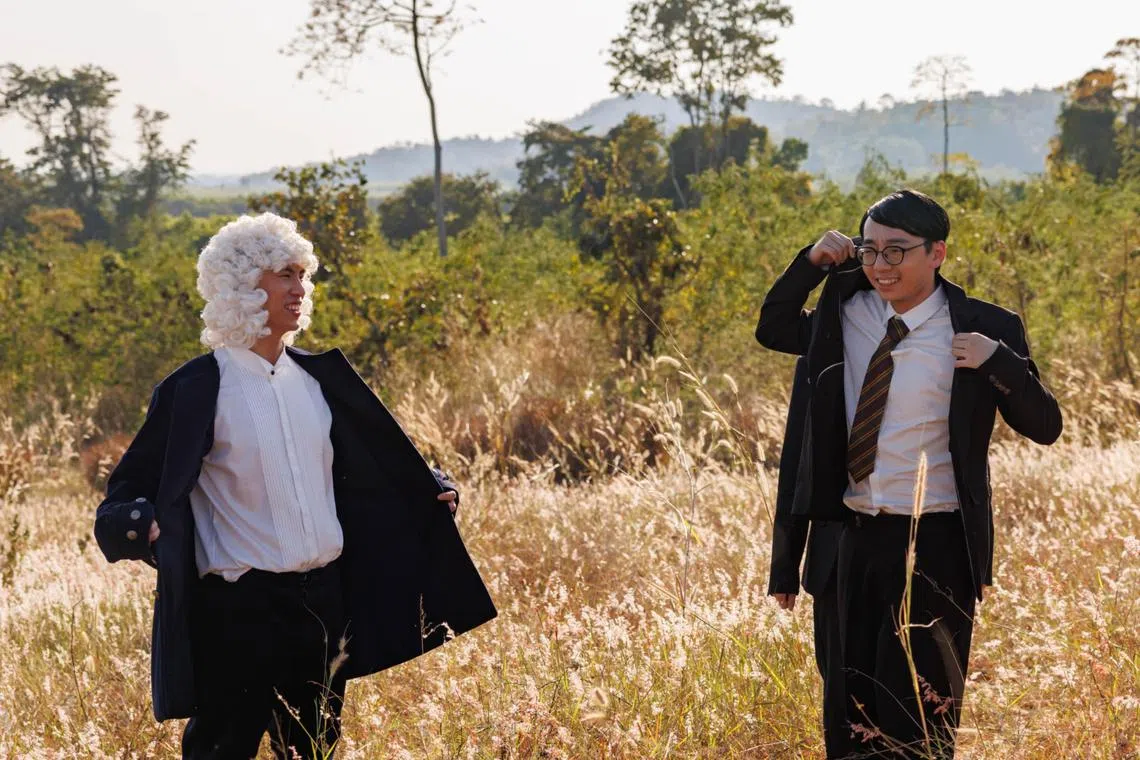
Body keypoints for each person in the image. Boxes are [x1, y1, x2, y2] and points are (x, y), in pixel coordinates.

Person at [93, 212, 497, 759]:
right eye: (285, 273)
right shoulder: (194, 390)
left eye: (303, 274)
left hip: (323, 604)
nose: (300, 288)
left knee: (311, 752)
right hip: (237, 612)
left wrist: (431, 489)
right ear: (242, 283)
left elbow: (376, 465)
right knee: (221, 751)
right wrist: (147, 528)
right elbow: (123, 499)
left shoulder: (322, 378)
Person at [755, 189, 1062, 758]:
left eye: (896, 252)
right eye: (869, 251)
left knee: (921, 724)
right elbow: (772, 328)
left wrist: (1001, 364)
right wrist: (809, 264)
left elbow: (1045, 425)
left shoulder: (986, 327)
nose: (879, 266)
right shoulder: (841, 312)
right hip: (847, 542)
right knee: (849, 725)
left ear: (937, 253)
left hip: (935, 546)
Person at [765, 357, 848, 758]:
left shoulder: (944, 327)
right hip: (833, 558)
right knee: (841, 699)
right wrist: (785, 566)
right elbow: (797, 460)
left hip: (918, 552)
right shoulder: (820, 348)